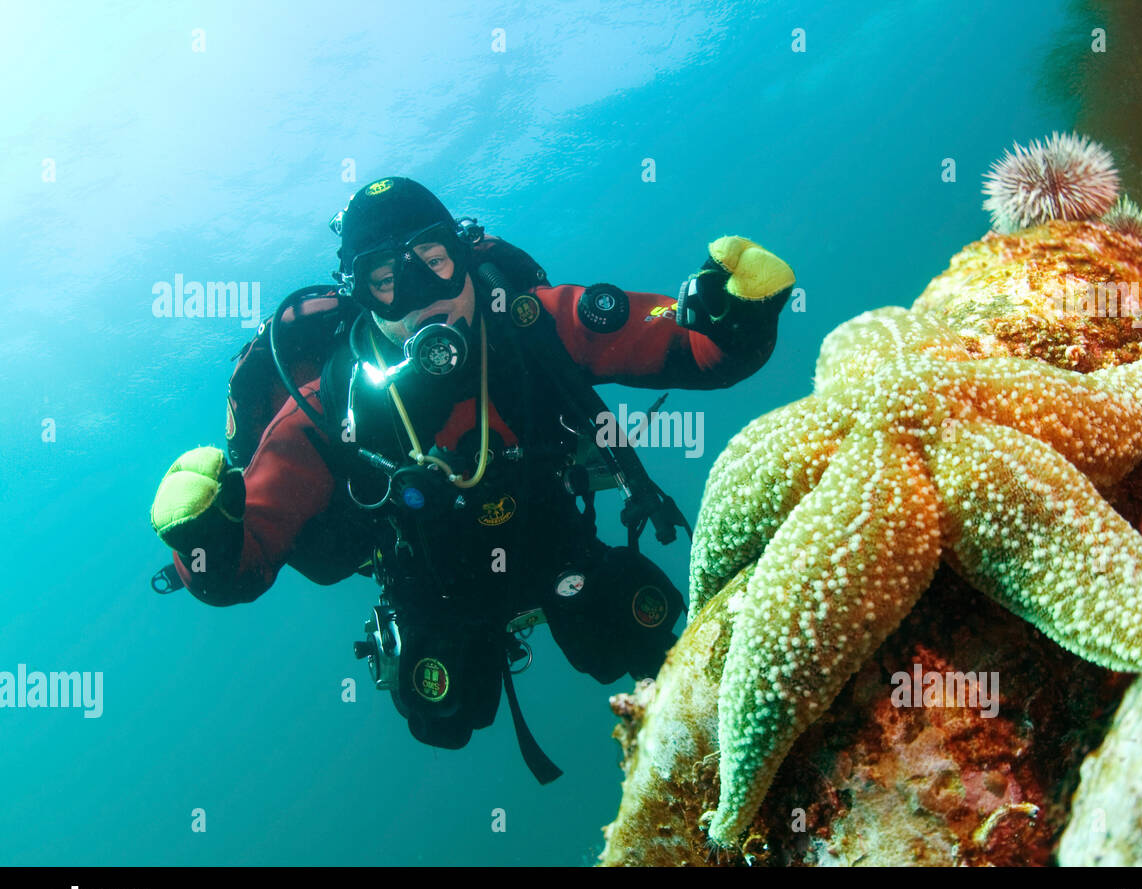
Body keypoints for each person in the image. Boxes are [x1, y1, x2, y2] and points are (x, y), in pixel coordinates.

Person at [149, 176, 794, 779]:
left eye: (431, 259)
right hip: (433, 587)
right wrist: (200, 538)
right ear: (361, 296)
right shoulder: (331, 402)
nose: (419, 292)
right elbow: (242, 560)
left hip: (558, 545)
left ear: (462, 251)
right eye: (385, 279)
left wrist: (730, 320)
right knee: (446, 713)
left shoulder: (536, 323)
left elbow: (679, 338)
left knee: (637, 633)